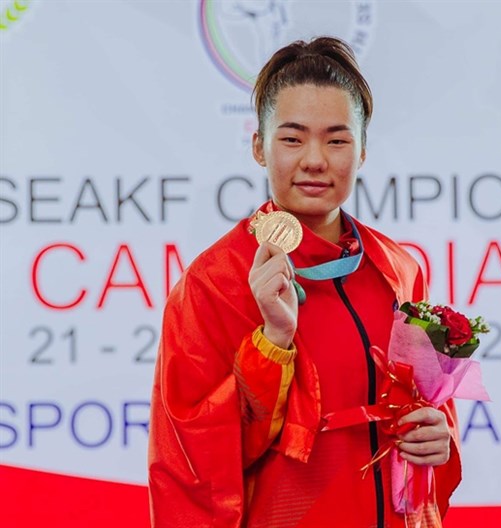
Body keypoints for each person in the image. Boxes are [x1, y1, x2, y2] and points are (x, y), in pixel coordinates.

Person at [148, 36, 461, 528]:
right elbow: (192, 464)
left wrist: (440, 435)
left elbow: (429, 409)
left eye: (337, 140)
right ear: (258, 146)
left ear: (362, 152)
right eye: (292, 139)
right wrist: (272, 341)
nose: (315, 160)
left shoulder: (398, 269)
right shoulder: (212, 284)